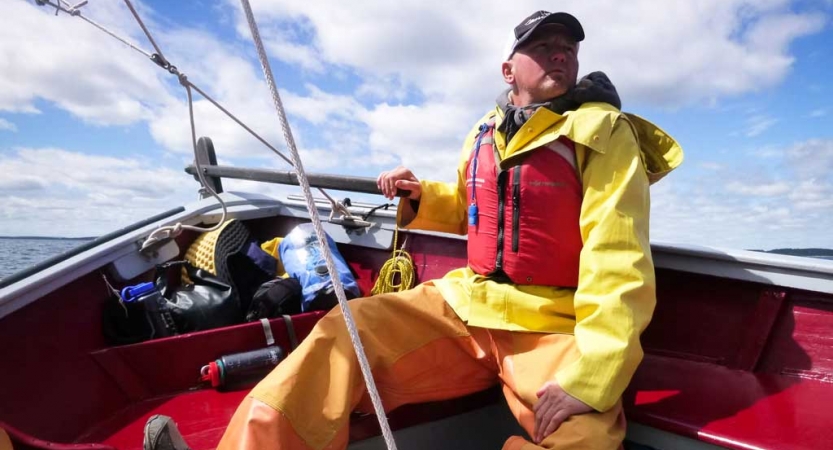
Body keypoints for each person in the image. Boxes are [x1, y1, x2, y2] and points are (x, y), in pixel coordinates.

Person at [149, 10, 683, 450]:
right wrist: (421, 197)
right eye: (543, 46)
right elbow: (473, 206)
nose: (560, 54)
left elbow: (620, 261)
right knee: (347, 329)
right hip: (466, 307)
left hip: (553, 326)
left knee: (586, 439)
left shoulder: (603, 132)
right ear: (508, 70)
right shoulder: (485, 131)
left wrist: (593, 379)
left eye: (567, 47)